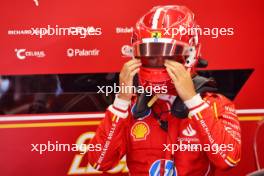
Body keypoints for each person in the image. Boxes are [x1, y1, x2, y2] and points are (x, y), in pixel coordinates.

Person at [88, 5, 241, 176]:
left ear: (191, 53)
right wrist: (121, 101)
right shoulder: (130, 108)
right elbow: (99, 161)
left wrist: (193, 102)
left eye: (168, 55)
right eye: (150, 54)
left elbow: (228, 160)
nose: (158, 62)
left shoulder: (214, 104)